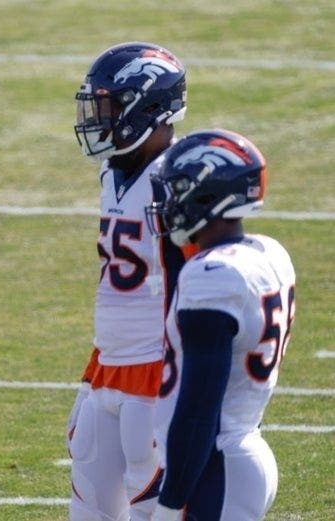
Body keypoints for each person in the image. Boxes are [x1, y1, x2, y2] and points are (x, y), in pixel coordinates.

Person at [67, 42, 195, 521]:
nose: (98, 116)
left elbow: (201, 281)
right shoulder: (111, 171)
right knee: (89, 506)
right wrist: (95, 360)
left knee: (153, 506)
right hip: (109, 359)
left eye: (110, 105)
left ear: (149, 106)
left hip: (157, 367)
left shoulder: (179, 178)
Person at [146, 129, 296, 520]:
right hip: (240, 450)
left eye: (177, 189)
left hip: (215, 467)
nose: (168, 202)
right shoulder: (268, 254)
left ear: (209, 195)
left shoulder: (213, 275)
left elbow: (199, 408)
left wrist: (171, 500)